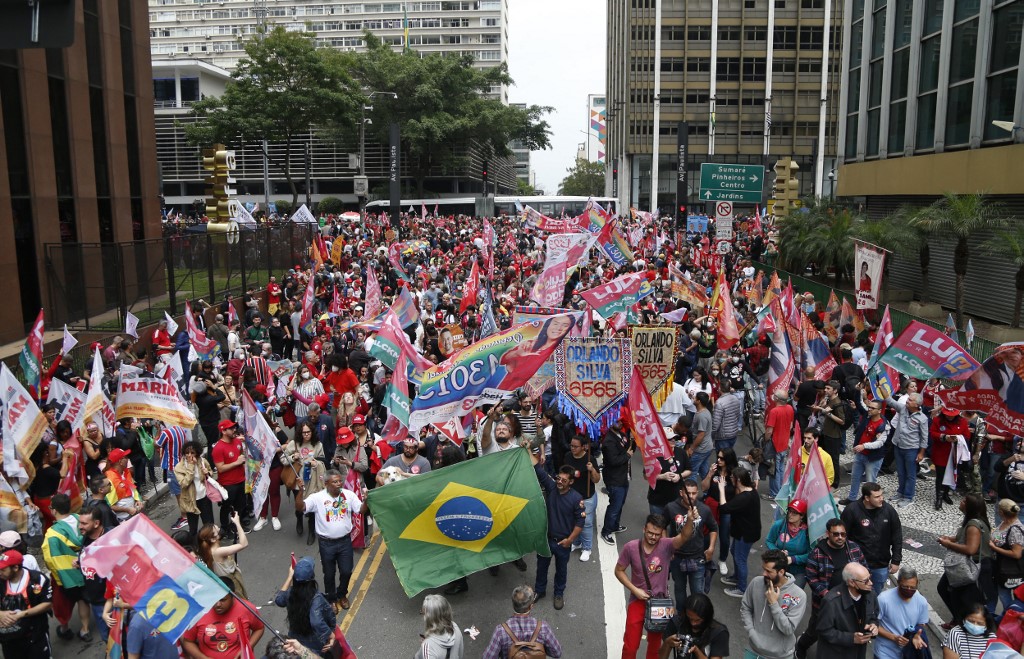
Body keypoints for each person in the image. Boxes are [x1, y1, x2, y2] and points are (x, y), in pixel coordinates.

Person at [616, 513, 696, 659]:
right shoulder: (630, 547)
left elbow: (684, 536)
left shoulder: (666, 545)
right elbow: (619, 571)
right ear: (643, 529)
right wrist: (634, 589)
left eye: (657, 534)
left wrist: (690, 520)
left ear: (662, 534)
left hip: (660, 603)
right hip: (637, 601)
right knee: (630, 646)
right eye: (650, 533)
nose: (653, 537)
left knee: (655, 646)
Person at [796, 519, 867, 659]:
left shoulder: (854, 549)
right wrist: (829, 596)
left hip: (850, 603)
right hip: (824, 604)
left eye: (843, 534)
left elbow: (864, 568)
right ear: (828, 533)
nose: (840, 537)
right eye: (836, 534)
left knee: (843, 633)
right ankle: (801, 645)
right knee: (816, 630)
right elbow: (811, 577)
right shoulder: (817, 553)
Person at [304, 469, 365, 612]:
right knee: (329, 574)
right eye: (335, 482)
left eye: (340, 481)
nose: (339, 484)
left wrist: (367, 499)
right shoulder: (317, 497)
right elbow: (301, 507)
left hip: (344, 542)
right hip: (326, 544)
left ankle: (342, 594)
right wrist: (300, 491)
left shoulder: (348, 495)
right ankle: (331, 599)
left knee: (346, 571)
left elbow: (361, 510)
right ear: (326, 483)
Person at [532, 460, 584, 611]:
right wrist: (528, 449)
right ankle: (539, 590)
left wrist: (570, 540)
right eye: (558, 478)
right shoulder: (551, 487)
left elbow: (580, 522)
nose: (560, 482)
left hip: (563, 543)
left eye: (564, 480)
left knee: (561, 570)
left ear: (571, 482)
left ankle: (558, 594)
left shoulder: (576, 498)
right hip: (546, 539)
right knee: (541, 567)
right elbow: (538, 469)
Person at [739, 549, 807, 659]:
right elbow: (746, 607)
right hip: (753, 650)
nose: (764, 574)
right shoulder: (756, 583)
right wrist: (751, 631)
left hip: (780, 656)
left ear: (781, 572)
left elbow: (788, 629)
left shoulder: (798, 595)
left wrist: (773, 603)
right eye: (764, 569)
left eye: (768, 571)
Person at [937, 493, 994, 626]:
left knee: (961, 598)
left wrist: (948, 544)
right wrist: (950, 539)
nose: (961, 502)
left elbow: (970, 549)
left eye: (964, 500)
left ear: (969, 507)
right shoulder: (971, 522)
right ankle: (958, 620)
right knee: (946, 590)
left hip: (970, 567)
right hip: (966, 566)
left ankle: (962, 623)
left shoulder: (973, 526)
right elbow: (962, 538)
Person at [40, 493, 88, 642]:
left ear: (53, 510)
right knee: (83, 599)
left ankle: (65, 628)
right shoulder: (79, 519)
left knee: (64, 602)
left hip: (67, 574)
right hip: (85, 566)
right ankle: (85, 630)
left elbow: (50, 559)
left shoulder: (52, 533)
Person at [840, 482, 902, 595]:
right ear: (867, 498)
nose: (881, 499)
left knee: (875, 596)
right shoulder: (851, 510)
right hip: (857, 564)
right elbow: (843, 536)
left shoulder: (889, 511)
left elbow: (897, 535)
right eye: (877, 497)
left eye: (882, 495)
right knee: (854, 594)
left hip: (880, 565)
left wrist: (896, 560)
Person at [180, 578, 265, 659]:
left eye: (223, 600)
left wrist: (247, 648)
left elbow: (259, 628)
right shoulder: (199, 611)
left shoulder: (247, 608)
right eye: (215, 599)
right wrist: (202, 658)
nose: (218, 604)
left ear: (233, 596)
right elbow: (188, 641)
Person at [665, 479, 718, 605]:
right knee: (679, 589)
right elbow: (662, 526)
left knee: (697, 593)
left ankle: (697, 617)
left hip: (697, 557)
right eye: (688, 493)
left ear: (697, 492)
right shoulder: (671, 508)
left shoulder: (704, 509)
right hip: (677, 557)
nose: (691, 496)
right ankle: (682, 616)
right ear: (681, 493)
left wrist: (711, 548)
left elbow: (714, 528)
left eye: (694, 493)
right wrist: (667, 546)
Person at [274, 556, 338, 657]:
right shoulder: (316, 598)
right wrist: (331, 635)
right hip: (314, 642)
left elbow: (279, 600)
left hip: (295, 637)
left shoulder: (290, 592)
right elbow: (316, 621)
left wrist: (290, 577)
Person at [815, 562, 879, 659]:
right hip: (835, 654)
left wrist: (873, 626)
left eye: (869, 578)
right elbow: (823, 630)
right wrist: (851, 638)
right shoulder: (831, 601)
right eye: (865, 581)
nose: (871, 583)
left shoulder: (871, 594)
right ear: (851, 582)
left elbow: (874, 616)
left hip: (858, 653)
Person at [482, 585, 562, 659]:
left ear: (513, 604)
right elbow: (557, 653)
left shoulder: (500, 631)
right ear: (531, 606)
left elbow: (488, 657)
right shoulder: (543, 628)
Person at [717, 466, 761, 597]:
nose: (730, 479)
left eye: (732, 478)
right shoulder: (750, 491)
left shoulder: (745, 497)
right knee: (734, 551)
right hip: (743, 530)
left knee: (740, 558)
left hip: (746, 533)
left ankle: (742, 588)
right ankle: (736, 577)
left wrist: (721, 489)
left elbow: (724, 508)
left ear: (739, 480)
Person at [0, 550, 52, 658]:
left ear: (15, 568)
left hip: (35, 636)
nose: (0, 572)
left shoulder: (37, 579)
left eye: (3, 569)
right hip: (9, 640)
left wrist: (22, 614)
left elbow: (47, 604)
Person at [884, 392, 930, 507]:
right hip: (898, 445)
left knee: (910, 474)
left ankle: (908, 497)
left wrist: (921, 453)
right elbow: (890, 401)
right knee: (900, 472)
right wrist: (881, 387)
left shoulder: (922, 418)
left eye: (910, 400)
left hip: (911, 449)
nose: (907, 401)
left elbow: (925, 437)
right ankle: (900, 492)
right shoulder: (903, 409)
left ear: (917, 404)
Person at [874, 567, 930, 659]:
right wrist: (894, 638)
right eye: (905, 586)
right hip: (885, 652)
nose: (909, 589)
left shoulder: (921, 601)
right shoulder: (883, 599)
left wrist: (917, 636)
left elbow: (920, 624)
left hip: (907, 653)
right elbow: (873, 624)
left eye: (912, 587)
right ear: (898, 582)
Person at [562, 434, 601, 563]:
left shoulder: (590, 459)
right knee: (575, 521)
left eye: (575, 446)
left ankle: (587, 548)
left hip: (587, 498)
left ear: (584, 447)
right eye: (571, 445)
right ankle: (577, 542)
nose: (572, 448)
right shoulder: (567, 456)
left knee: (586, 523)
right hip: (571, 496)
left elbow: (596, 479)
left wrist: (592, 470)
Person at [841, 400, 889, 504]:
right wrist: (859, 392)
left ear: (879, 411)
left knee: (871, 481)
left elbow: (879, 443)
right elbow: (859, 404)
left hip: (873, 458)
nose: (869, 409)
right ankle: (852, 498)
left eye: (872, 408)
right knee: (855, 476)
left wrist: (863, 446)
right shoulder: (867, 416)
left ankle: (871, 502)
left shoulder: (883, 425)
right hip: (860, 454)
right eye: (869, 407)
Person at [658, 593, 730, 659]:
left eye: (698, 620)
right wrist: (667, 643)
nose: (693, 623)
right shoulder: (676, 623)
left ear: (707, 617)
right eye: (690, 618)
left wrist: (696, 650)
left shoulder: (718, 632)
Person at [197, 513, 250, 600]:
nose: (219, 529)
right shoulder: (217, 552)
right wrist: (237, 523)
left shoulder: (208, 550)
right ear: (213, 539)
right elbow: (244, 544)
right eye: (217, 530)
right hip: (232, 584)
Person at [211, 419, 249, 535]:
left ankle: (236, 525)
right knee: (226, 507)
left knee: (241, 504)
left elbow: (241, 455)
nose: (234, 430)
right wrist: (236, 463)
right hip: (228, 484)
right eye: (231, 428)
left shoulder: (237, 442)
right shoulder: (218, 448)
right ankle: (225, 528)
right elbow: (220, 468)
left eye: (234, 427)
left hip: (241, 480)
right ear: (223, 431)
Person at [600, 419, 635, 546]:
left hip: (624, 477)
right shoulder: (608, 441)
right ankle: (606, 531)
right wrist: (627, 456)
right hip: (614, 479)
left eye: (621, 421)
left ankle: (614, 525)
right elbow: (613, 461)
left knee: (620, 504)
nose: (620, 423)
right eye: (617, 421)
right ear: (609, 422)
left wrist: (633, 440)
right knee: (614, 506)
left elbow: (631, 449)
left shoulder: (623, 435)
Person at [174, 440, 215, 542]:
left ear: (197, 452)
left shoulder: (202, 461)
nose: (189, 455)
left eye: (192, 452)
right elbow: (184, 483)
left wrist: (207, 473)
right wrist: (191, 467)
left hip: (204, 496)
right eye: (187, 453)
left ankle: (210, 543)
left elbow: (210, 472)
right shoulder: (179, 467)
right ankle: (193, 546)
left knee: (208, 523)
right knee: (193, 527)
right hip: (190, 500)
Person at [765, 499, 810, 587]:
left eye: (794, 513)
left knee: (792, 597)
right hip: (779, 567)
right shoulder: (779, 525)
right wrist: (778, 552)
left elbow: (811, 554)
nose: (790, 514)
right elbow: (769, 541)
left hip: (798, 571)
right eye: (789, 511)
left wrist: (793, 559)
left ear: (802, 516)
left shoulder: (808, 532)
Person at [991, 499, 1024, 613]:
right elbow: (1002, 538)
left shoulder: (1015, 529)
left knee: (1005, 595)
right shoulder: (1005, 522)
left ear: (1001, 512)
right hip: (1000, 566)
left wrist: (994, 547)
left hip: (1010, 570)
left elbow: (1016, 553)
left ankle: (1011, 616)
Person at [812, 381, 846, 489]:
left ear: (835, 391)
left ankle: (835, 482)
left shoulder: (837, 403)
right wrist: (821, 407)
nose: (825, 390)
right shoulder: (829, 400)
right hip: (826, 433)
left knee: (833, 459)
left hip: (834, 436)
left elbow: (842, 421)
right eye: (825, 388)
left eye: (828, 389)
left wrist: (828, 413)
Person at [416, 594, 465, 659]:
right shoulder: (455, 627)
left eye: (423, 613)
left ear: (429, 618)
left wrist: (427, 643)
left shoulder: (428, 647)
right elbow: (460, 653)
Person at [105, 447, 143, 522]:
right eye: (125, 457)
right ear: (120, 461)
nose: (128, 459)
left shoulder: (126, 472)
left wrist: (138, 500)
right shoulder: (109, 479)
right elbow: (109, 505)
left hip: (133, 514)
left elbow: (133, 489)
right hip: (121, 519)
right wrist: (127, 510)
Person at [688, 392, 714, 480]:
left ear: (698, 401)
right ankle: (708, 490)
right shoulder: (704, 412)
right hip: (707, 448)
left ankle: (690, 490)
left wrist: (692, 448)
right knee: (704, 470)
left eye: (695, 398)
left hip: (701, 449)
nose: (694, 399)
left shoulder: (702, 416)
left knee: (692, 472)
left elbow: (701, 434)